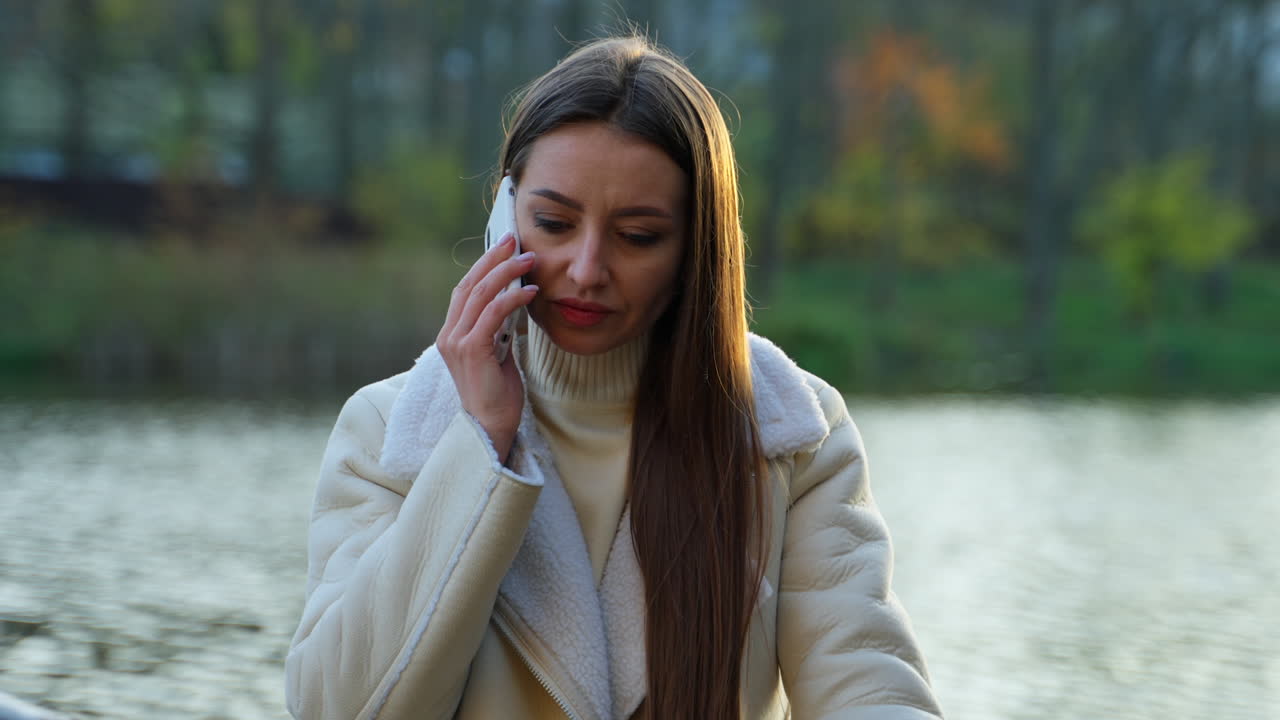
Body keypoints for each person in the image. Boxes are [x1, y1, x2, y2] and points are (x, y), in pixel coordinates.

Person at [284, 35, 942, 720]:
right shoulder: (392, 431)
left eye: (639, 236)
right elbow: (340, 708)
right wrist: (479, 444)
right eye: (554, 222)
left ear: (696, 248)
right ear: (503, 217)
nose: (588, 268)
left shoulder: (791, 434)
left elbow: (867, 686)